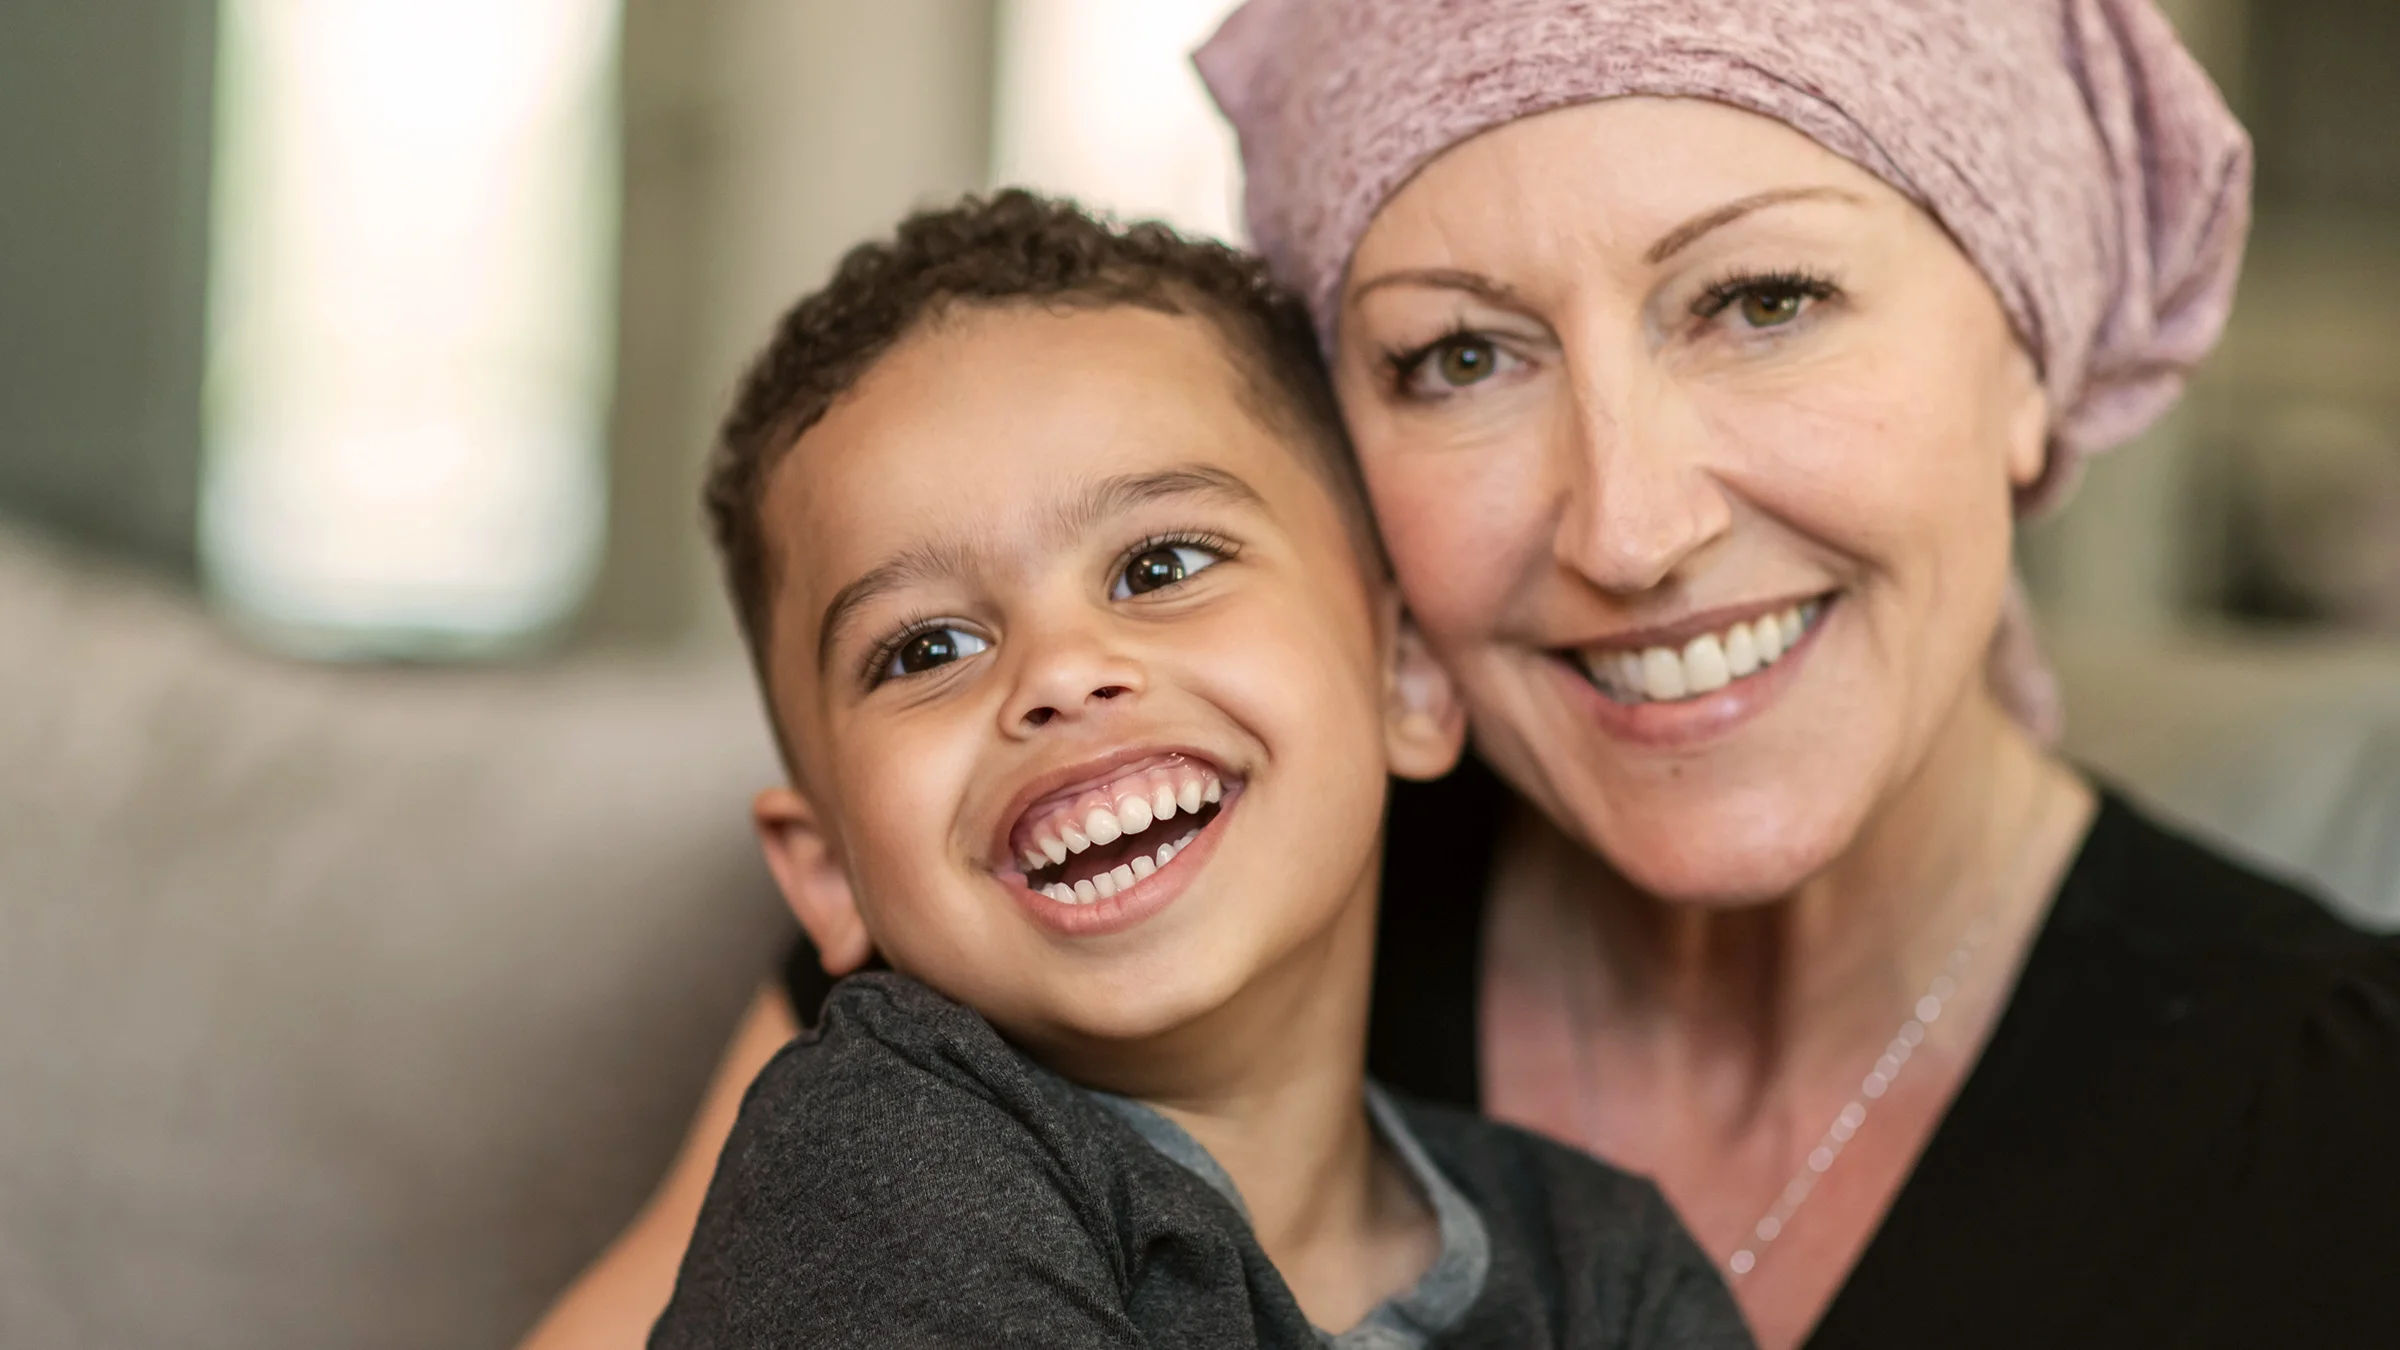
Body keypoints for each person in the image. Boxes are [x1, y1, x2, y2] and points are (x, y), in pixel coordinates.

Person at [520, 3, 2400, 1348]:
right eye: (1457, 359)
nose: (1632, 523)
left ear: (2027, 354)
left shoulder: (2333, 1145)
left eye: (1762, 302)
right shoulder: (1073, 944)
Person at [643, 191, 1753, 1348]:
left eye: (1160, 565)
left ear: (1408, 680)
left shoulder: (1608, 1267)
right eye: (928, 649)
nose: (1064, 671)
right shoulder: (871, 1165)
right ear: (825, 875)